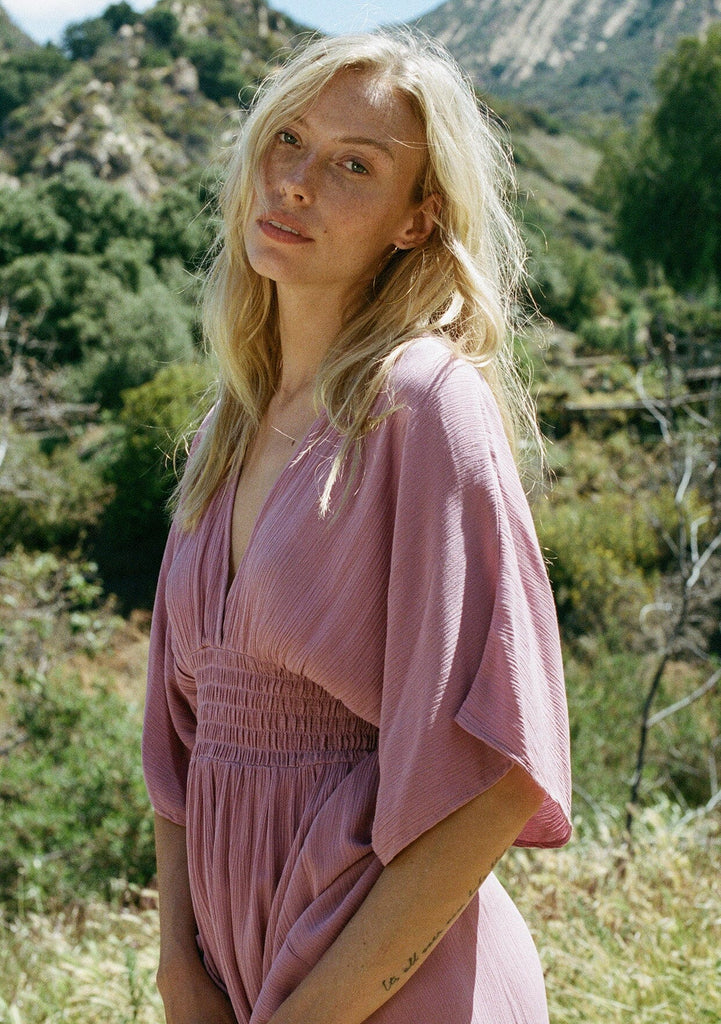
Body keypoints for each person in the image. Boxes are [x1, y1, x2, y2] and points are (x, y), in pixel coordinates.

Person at [142, 30, 572, 1024]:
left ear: (417, 221)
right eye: (286, 139)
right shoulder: (225, 430)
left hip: (388, 984)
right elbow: (181, 752)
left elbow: (500, 773)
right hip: (233, 976)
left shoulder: (423, 403)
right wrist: (178, 970)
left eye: (351, 164)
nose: (293, 182)